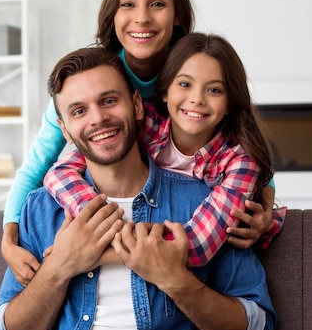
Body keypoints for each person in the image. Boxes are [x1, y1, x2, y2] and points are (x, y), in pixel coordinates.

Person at [1, 0, 280, 284]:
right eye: (128, 4)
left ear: (177, 15)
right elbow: (41, 167)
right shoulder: (90, 81)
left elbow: (251, 160)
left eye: (158, 4)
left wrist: (264, 210)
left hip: (188, 222)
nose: (142, 18)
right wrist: (9, 239)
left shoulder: (195, 68)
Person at [0, 47, 276, 330]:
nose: (98, 118)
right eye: (78, 111)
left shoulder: (206, 203)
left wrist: (176, 280)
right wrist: (59, 267)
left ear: (138, 106)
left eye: (109, 101)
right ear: (65, 130)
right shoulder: (42, 207)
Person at [44, 32, 284, 266]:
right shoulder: (145, 122)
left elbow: (197, 245)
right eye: (184, 84)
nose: (197, 99)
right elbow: (60, 172)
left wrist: (82, 254)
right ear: (166, 90)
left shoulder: (241, 161)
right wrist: (100, 220)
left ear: (230, 102)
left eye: (214, 90)